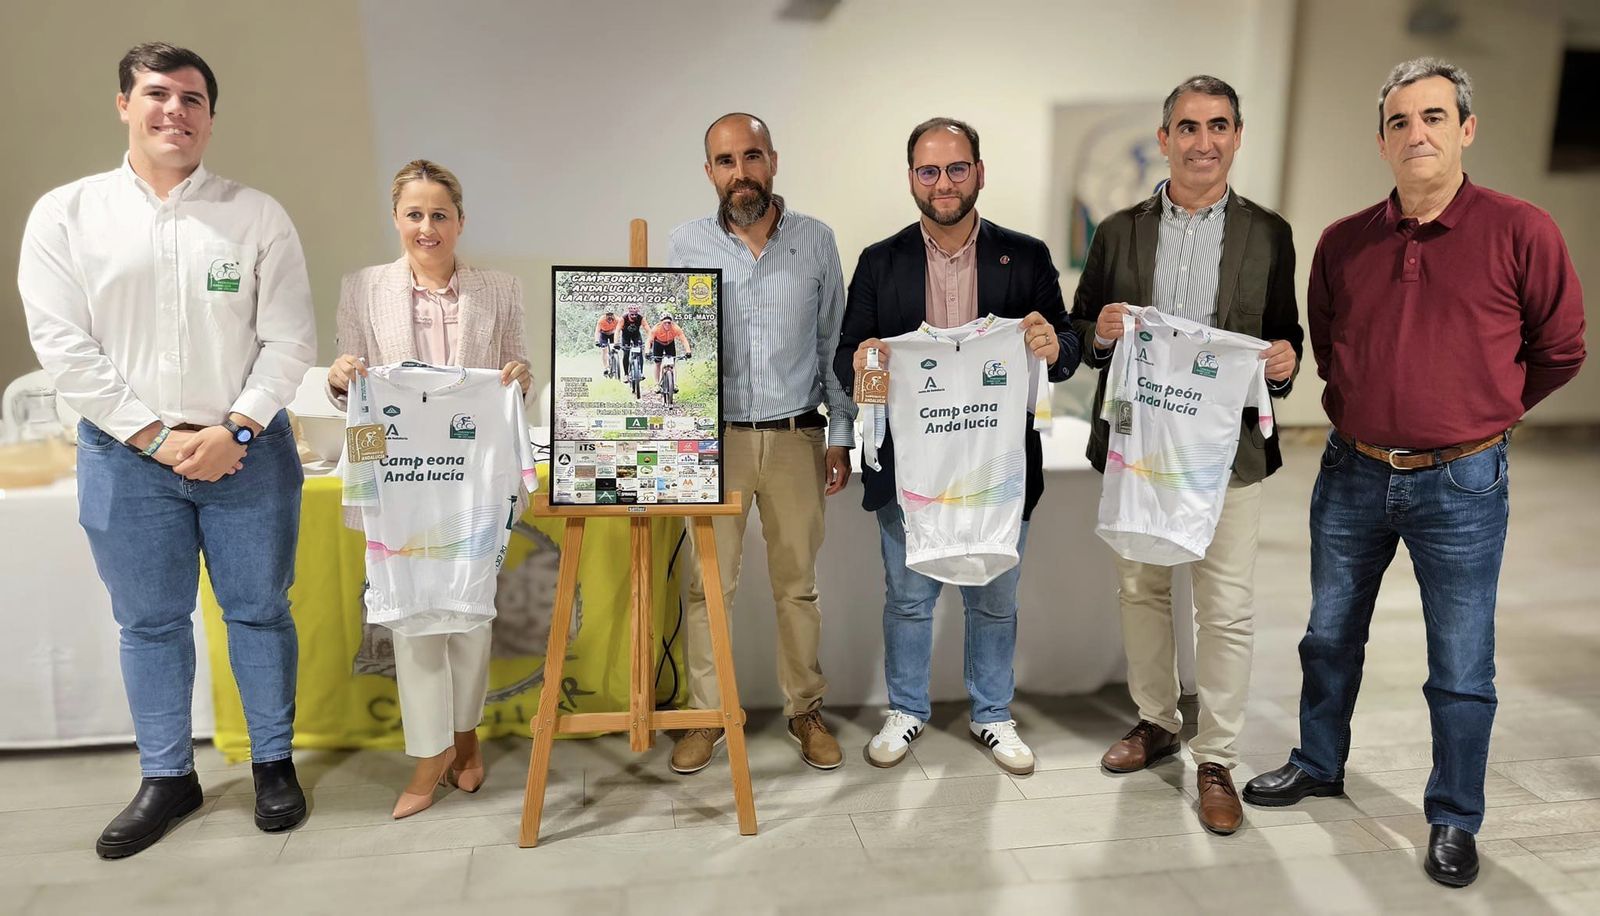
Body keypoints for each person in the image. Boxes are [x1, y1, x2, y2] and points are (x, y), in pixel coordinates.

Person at [1243, 58, 1586, 888]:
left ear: (1466, 129)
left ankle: (1454, 817)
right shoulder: (1342, 241)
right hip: (1351, 471)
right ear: (1382, 140)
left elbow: (1562, 349)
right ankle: (1319, 762)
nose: (1417, 133)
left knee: (1462, 664)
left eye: (1434, 117)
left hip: (1462, 483)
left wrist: (1484, 412)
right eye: (1400, 121)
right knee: (1328, 637)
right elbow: (1331, 345)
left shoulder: (1522, 229)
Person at [18, 42, 316, 857]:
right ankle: (167, 776)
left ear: (210, 117)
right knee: (149, 622)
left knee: (258, 612)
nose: (173, 112)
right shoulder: (66, 215)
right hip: (124, 457)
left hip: (246, 451)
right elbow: (63, 346)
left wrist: (238, 428)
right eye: (157, 95)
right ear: (124, 105)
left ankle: (272, 763)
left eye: (191, 99)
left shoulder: (256, 215)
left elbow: (289, 341)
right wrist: (156, 436)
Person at [1069, 76, 1303, 835]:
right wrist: (1102, 330)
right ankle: (1156, 721)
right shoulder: (1118, 231)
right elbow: (1083, 334)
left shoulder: (1270, 234)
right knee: (1141, 590)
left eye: (1219, 126)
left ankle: (1217, 758)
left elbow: (1285, 334)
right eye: (1189, 126)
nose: (1204, 141)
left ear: (1238, 136)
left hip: (1226, 451)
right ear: (1164, 138)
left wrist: (1283, 362)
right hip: (1137, 445)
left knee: (1225, 607)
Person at [835, 117, 1078, 776]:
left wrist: (1054, 348)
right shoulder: (880, 262)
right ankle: (906, 709)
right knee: (909, 598)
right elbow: (842, 361)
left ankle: (993, 714)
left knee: (993, 599)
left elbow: (1066, 347)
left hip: (998, 463)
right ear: (911, 177)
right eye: (929, 170)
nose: (943, 183)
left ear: (979, 171)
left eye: (956, 168)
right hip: (911, 467)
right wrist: (863, 361)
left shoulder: (1023, 257)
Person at [326, 159, 531, 819]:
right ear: (396, 220)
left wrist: (518, 377)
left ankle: (466, 736)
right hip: (401, 476)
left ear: (460, 221)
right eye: (414, 214)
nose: (427, 227)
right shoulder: (362, 289)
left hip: (470, 474)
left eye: (439, 214)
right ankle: (429, 754)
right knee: (412, 618)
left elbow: (518, 377)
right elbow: (354, 398)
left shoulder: (498, 289)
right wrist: (342, 381)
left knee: (470, 616)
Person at [665, 112, 855, 774]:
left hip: (799, 436)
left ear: (772, 159)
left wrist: (843, 433)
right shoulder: (684, 244)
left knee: (797, 586)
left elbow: (835, 342)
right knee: (705, 587)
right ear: (709, 171)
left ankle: (805, 709)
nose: (740, 172)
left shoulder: (816, 241)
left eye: (751, 156)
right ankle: (707, 715)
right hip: (713, 446)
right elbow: (670, 352)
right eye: (725, 161)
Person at [649, 313, 692, 391]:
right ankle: (656, 384)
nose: (667, 324)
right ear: (661, 322)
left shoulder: (676, 328)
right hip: (658, 343)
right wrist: (647, 352)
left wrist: (688, 351)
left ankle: (674, 384)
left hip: (670, 343)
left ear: (671, 322)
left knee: (672, 363)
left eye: (669, 322)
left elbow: (684, 340)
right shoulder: (655, 329)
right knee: (657, 363)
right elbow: (649, 341)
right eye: (665, 323)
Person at [595, 309, 620, 376]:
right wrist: (597, 340)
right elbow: (597, 331)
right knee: (604, 349)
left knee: (615, 346)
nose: (610, 316)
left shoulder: (617, 319)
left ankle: (614, 358)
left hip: (613, 334)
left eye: (611, 314)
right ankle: (606, 367)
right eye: (608, 315)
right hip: (604, 334)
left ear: (613, 314)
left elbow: (621, 329)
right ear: (605, 315)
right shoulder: (601, 320)